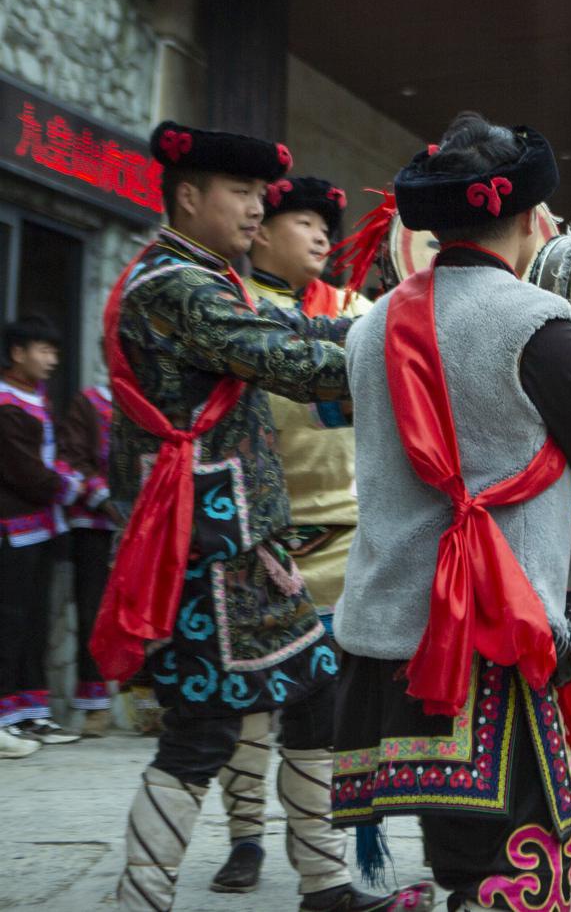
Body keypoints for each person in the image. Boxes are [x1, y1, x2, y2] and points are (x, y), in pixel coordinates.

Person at [330, 114, 571, 908]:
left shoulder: (367, 329)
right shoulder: (531, 321)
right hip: (489, 629)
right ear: (530, 218)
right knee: (512, 870)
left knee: (458, 852)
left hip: (385, 626)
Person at [97, 121, 402, 911]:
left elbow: (300, 328)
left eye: (259, 196)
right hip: (202, 543)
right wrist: (410, 351)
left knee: (312, 691)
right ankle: (141, 897)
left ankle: (325, 880)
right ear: (189, 195)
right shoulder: (175, 285)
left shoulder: (201, 275)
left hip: (238, 539)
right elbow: (289, 361)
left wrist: (390, 324)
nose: (254, 208)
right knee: (201, 731)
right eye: (239, 193)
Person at [211, 175, 371, 894]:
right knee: (249, 706)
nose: (317, 234)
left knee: (324, 709)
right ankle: (244, 837)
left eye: (321, 224)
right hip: (260, 536)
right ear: (262, 230)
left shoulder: (357, 311)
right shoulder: (233, 312)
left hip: (346, 535)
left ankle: (323, 860)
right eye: (300, 220)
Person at [0, 314, 85, 754]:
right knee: (9, 622)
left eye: (54, 351)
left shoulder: (35, 398)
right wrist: (68, 485)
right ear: (17, 353)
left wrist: (65, 477)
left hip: (42, 528)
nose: (52, 359)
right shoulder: (5, 402)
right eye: (43, 350)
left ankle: (31, 713)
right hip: (12, 529)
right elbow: (24, 471)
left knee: (33, 623)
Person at [55, 378, 119, 737]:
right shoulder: (89, 403)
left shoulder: (153, 400)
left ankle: (148, 704)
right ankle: (95, 705)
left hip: (147, 523)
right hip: (95, 524)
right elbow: (73, 457)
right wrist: (106, 499)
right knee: (94, 609)